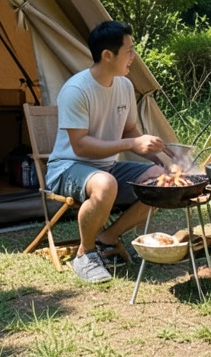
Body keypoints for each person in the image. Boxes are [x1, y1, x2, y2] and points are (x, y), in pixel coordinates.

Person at [46, 21, 166, 283]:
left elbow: (130, 130)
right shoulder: (77, 90)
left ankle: (107, 238)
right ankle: (85, 254)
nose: (134, 56)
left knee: (161, 180)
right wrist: (131, 145)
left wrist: (160, 157)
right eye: (129, 51)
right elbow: (80, 145)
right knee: (105, 183)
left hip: (106, 169)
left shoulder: (124, 86)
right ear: (108, 55)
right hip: (67, 167)